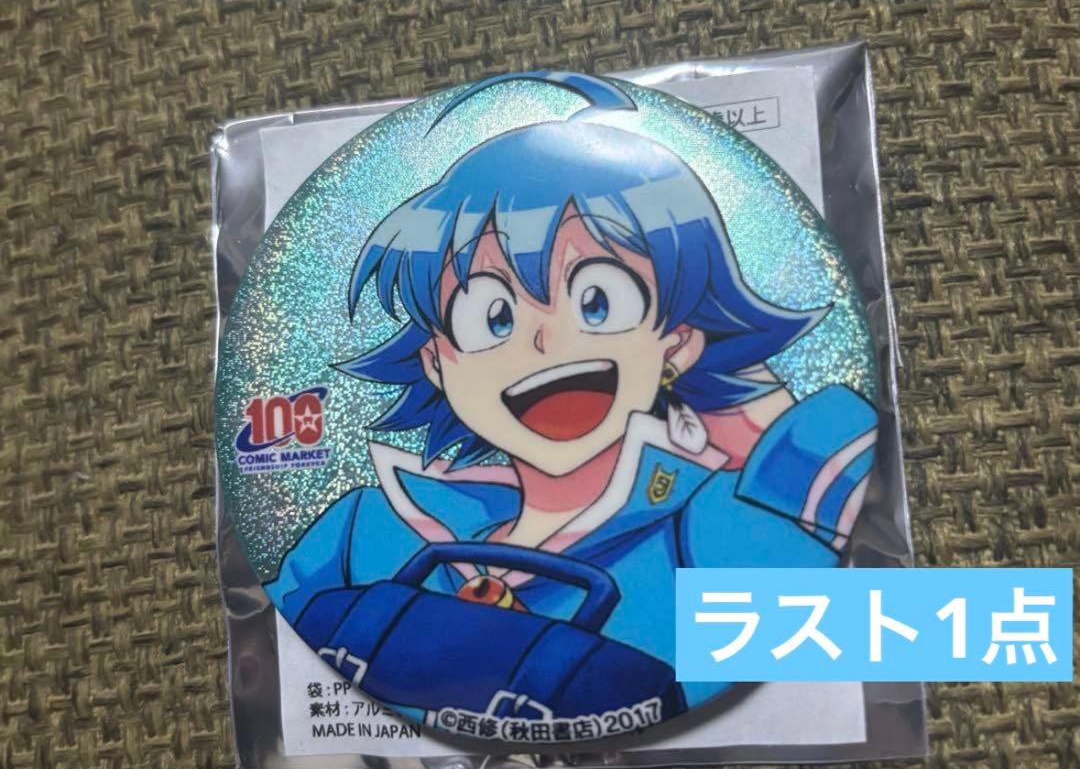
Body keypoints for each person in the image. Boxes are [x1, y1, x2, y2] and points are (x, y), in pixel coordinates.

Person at [267, 72, 877, 723]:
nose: (545, 341)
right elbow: (280, 669)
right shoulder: (367, 528)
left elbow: (833, 581)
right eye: (492, 316)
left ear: (676, 340)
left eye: (597, 301)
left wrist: (766, 423)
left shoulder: (705, 529)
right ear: (436, 362)